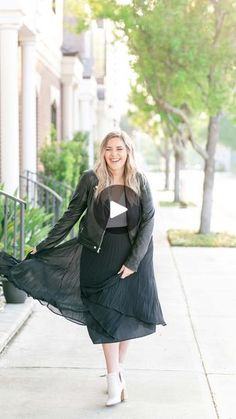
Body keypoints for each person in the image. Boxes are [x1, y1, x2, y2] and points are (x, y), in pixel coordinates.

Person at [0, 130, 166, 407]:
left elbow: (148, 221)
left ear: (128, 152)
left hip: (133, 259)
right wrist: (44, 244)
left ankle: (119, 370)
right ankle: (113, 378)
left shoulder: (139, 181)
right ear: (102, 152)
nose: (114, 154)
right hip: (99, 258)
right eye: (109, 149)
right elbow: (71, 215)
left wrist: (134, 262)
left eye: (119, 149)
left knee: (126, 314)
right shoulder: (91, 180)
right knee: (105, 318)